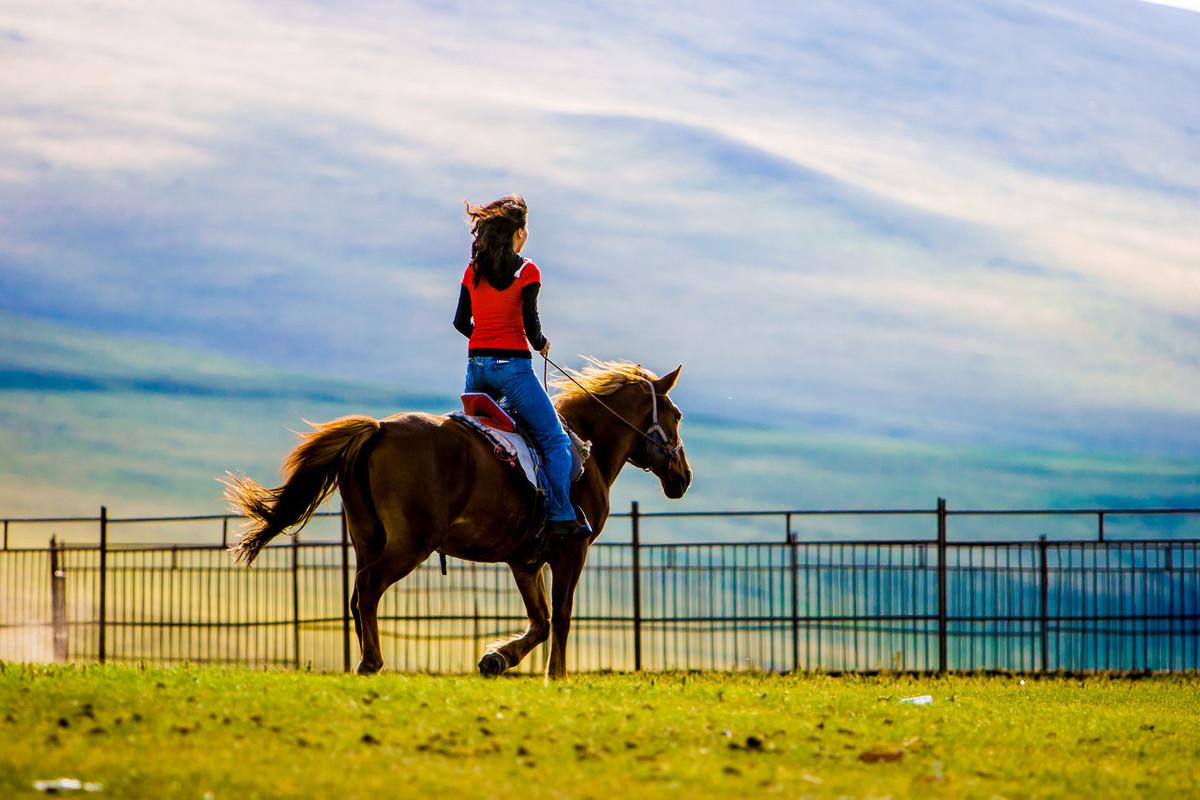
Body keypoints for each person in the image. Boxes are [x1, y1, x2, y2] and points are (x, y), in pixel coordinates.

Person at [452, 195, 589, 538]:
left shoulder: (473, 270)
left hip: (476, 369)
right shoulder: (527, 270)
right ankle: (559, 514)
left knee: (479, 436)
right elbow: (531, 326)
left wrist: (482, 338)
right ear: (518, 232)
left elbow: (459, 322)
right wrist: (541, 343)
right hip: (512, 370)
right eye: (525, 226)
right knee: (555, 442)